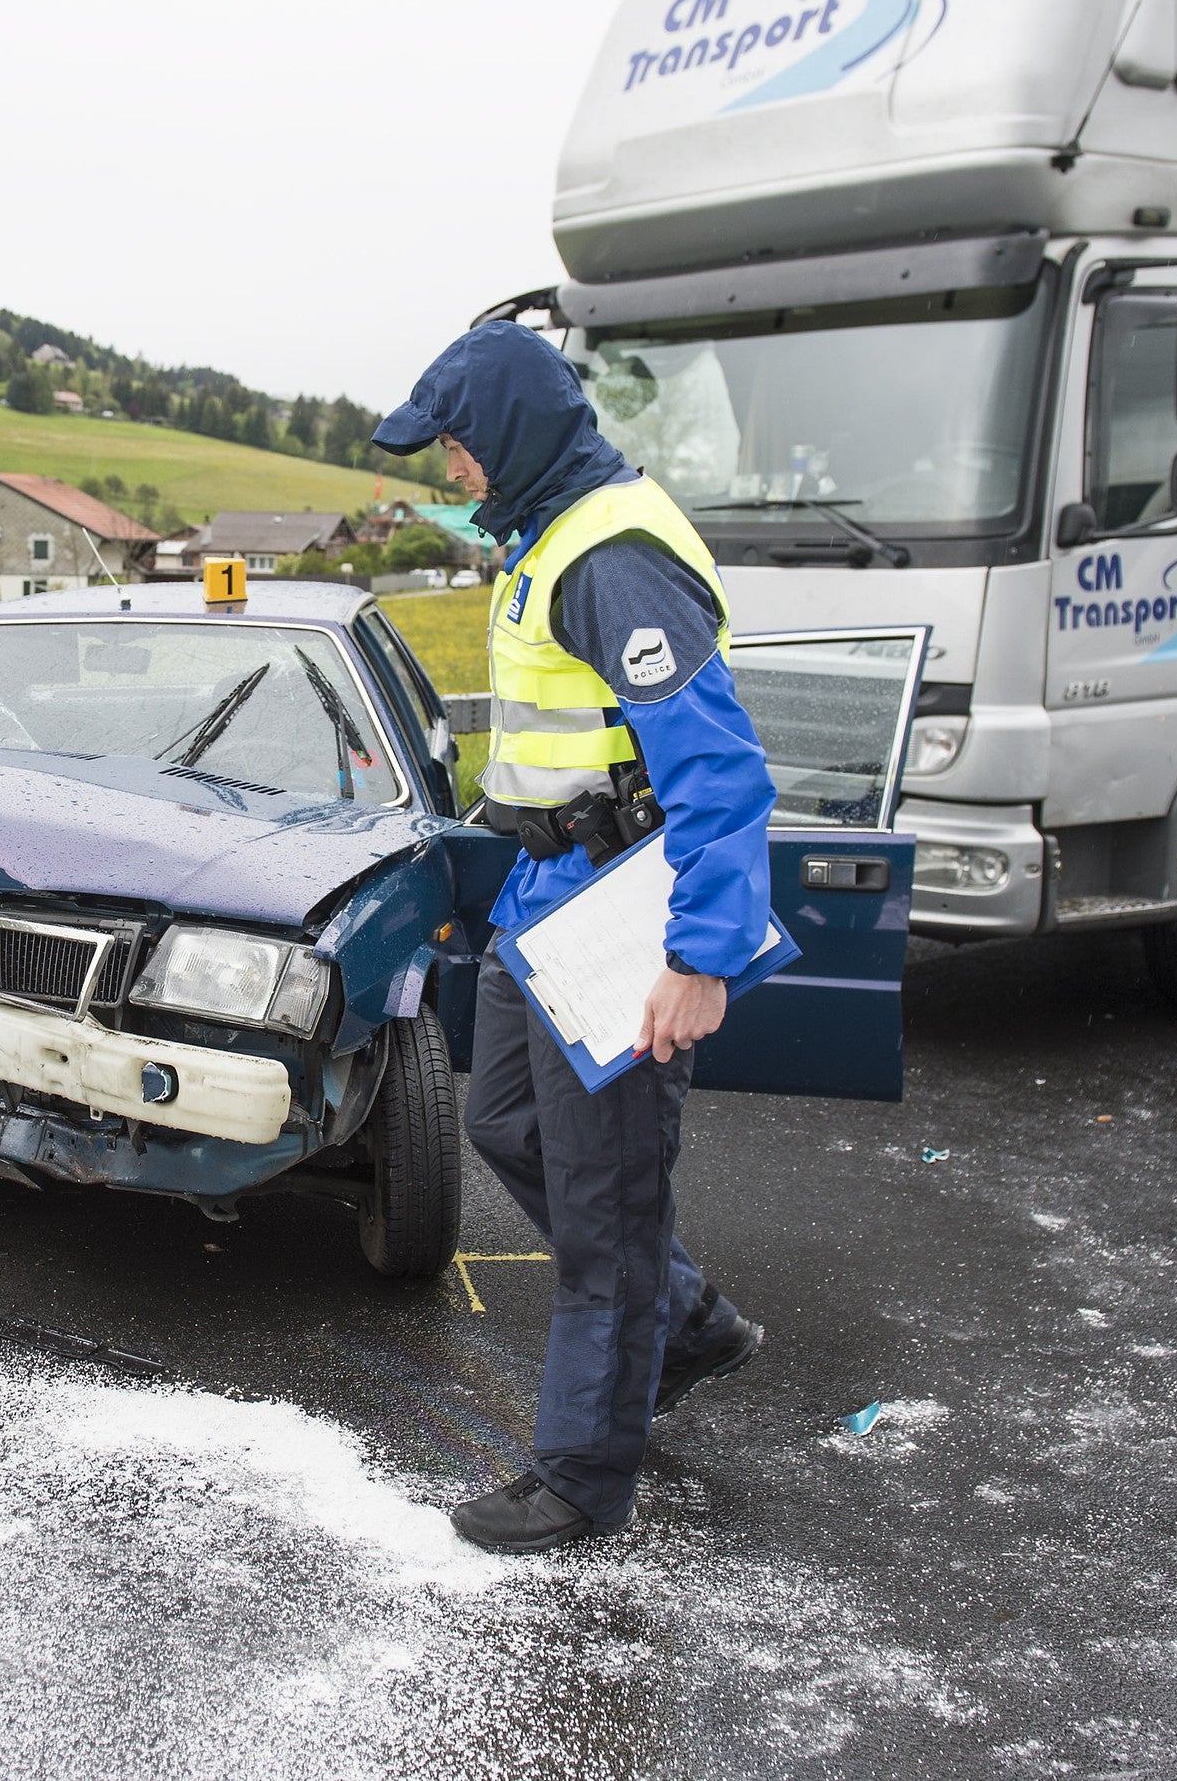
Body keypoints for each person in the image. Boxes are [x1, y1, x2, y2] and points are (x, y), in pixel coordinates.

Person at [371, 322, 776, 1553]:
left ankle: (582, 1475)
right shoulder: (546, 535)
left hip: (622, 915)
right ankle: (687, 1322)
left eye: (455, 445)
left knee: (605, 1205)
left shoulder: (610, 558)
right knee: (500, 1119)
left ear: (507, 434)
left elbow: (719, 768)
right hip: (543, 900)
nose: (449, 470)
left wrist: (701, 956)